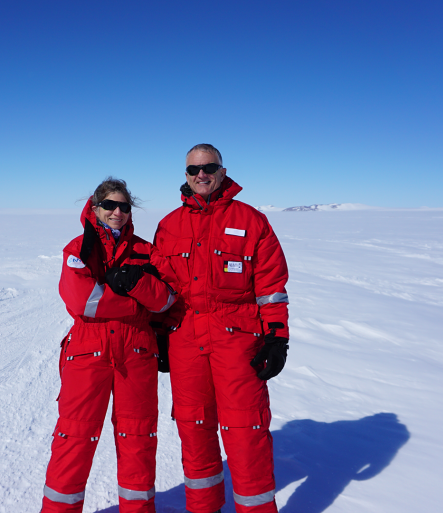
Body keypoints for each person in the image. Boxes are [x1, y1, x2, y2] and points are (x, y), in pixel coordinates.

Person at [152, 144, 290, 513]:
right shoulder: (169, 225)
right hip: (185, 341)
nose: (201, 174)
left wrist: (277, 336)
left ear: (222, 170)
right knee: (194, 432)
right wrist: (160, 334)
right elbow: (162, 287)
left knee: (246, 434)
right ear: (184, 175)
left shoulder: (252, 221)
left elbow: (271, 287)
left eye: (209, 166)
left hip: (238, 342)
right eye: (193, 169)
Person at [42, 177, 177, 513]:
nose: (117, 212)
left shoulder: (146, 251)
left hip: (138, 351)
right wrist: (137, 303)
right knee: (74, 438)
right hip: (88, 350)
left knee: (139, 439)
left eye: (124, 206)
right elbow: (82, 301)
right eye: (110, 205)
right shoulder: (79, 249)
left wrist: (139, 283)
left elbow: (168, 299)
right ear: (95, 207)